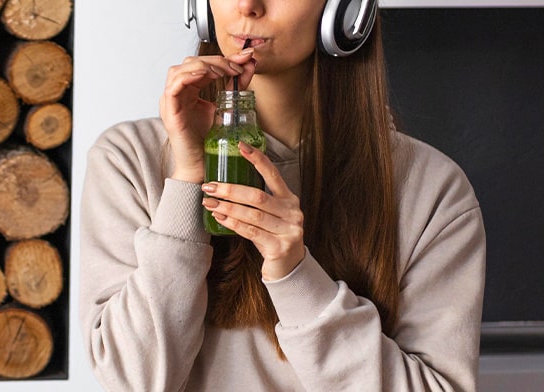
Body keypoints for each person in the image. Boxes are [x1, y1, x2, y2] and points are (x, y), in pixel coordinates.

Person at [79, 0, 486, 391]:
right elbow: (136, 381)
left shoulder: (433, 191)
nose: (247, 5)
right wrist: (187, 181)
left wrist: (297, 278)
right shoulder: (128, 160)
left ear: (348, 7)